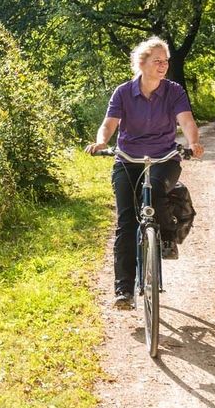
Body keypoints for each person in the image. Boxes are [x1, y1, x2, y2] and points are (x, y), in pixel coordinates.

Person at [86, 37, 205, 310]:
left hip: (164, 157)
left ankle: (166, 235)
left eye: (166, 61)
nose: (163, 66)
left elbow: (186, 120)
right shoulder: (124, 92)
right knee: (126, 221)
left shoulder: (174, 91)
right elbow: (110, 123)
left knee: (154, 189)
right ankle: (124, 291)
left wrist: (194, 142)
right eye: (157, 61)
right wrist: (102, 141)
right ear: (142, 64)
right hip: (128, 159)